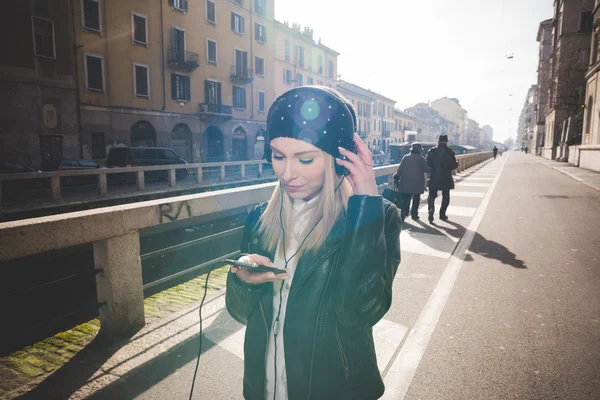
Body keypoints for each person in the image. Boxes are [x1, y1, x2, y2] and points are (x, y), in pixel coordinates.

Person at [226, 86, 402, 400]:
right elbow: (240, 313)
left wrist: (366, 206)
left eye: (305, 159)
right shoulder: (259, 219)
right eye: (278, 156)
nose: (287, 173)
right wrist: (245, 281)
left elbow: (359, 313)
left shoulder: (374, 219)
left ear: (340, 160)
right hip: (264, 388)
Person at [393, 142, 430, 222]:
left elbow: (400, 170)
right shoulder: (421, 159)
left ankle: (403, 214)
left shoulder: (405, 157)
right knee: (416, 200)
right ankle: (414, 214)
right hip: (417, 183)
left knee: (406, 200)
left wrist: (397, 176)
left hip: (406, 183)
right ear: (419, 150)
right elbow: (427, 169)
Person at [426, 134, 459, 223]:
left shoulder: (432, 151)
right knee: (446, 196)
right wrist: (456, 164)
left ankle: (431, 210)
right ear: (446, 142)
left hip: (434, 176)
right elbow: (453, 165)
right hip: (446, 177)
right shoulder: (450, 152)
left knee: (432, 195)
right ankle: (442, 214)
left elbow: (427, 163)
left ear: (438, 141)